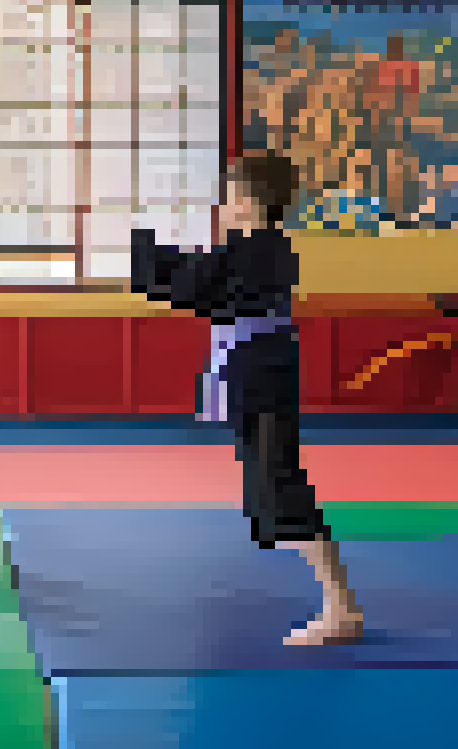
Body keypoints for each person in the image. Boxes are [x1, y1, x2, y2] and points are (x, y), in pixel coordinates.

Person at [132, 154, 364, 646]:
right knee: (273, 479)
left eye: (231, 194)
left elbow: (191, 285)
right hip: (260, 366)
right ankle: (339, 603)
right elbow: (197, 275)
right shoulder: (258, 247)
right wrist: (150, 251)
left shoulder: (253, 250)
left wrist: (140, 247)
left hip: (259, 369)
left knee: (278, 481)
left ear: (252, 201)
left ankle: (341, 606)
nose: (223, 204)